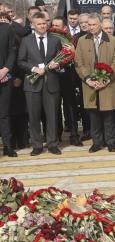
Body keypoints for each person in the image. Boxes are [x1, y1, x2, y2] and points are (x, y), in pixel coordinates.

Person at [76, 14, 115, 153]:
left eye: (94, 24)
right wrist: (89, 79)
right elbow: (79, 63)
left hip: (108, 83)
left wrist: (105, 79)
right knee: (93, 115)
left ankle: (110, 142)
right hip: (90, 84)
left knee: (108, 115)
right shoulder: (82, 41)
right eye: (89, 25)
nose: (91, 27)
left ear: (101, 24)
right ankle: (97, 142)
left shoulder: (112, 40)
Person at [19, 13, 63, 155]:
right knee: (33, 116)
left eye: (44, 23)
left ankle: (52, 144)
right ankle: (37, 145)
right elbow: (20, 61)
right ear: (32, 25)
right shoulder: (26, 41)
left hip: (51, 83)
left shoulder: (55, 40)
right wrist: (34, 69)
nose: (43, 26)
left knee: (52, 116)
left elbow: (61, 60)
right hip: (32, 84)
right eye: (39, 24)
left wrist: (58, 66)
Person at [0, 9, 15, 156]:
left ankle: (8, 146)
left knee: (4, 114)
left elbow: (12, 50)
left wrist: (5, 69)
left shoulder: (7, 28)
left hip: (5, 76)